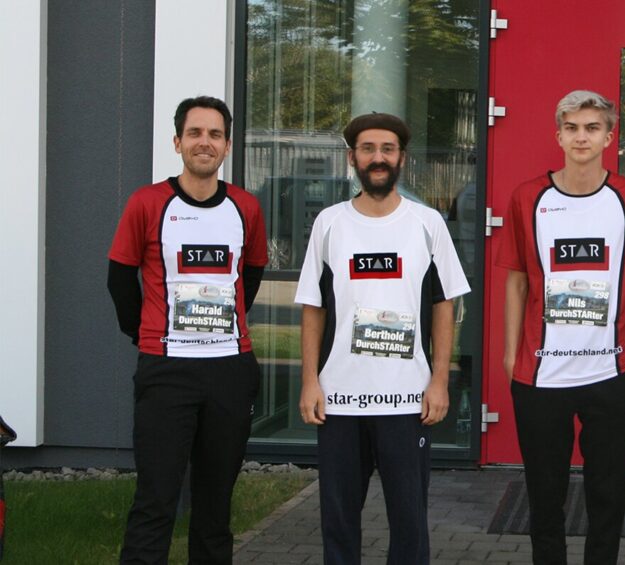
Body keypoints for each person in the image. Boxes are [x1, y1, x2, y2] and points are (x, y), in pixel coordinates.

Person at [496, 90, 625, 565]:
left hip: (613, 376)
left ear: (609, 138)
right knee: (544, 497)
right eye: (572, 127)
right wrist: (511, 355)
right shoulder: (527, 197)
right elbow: (515, 283)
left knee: (609, 499)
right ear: (558, 135)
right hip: (541, 376)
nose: (581, 136)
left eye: (592, 128)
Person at [294, 112, 471, 564]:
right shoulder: (329, 224)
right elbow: (313, 308)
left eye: (387, 149)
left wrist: (439, 381)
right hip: (340, 402)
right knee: (338, 520)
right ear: (352, 157)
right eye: (368, 149)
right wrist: (310, 382)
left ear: (402, 159)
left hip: (406, 401)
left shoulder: (428, 224)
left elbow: (443, 305)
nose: (378, 158)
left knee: (409, 522)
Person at [106, 95, 268, 564]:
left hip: (230, 372)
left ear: (227, 146)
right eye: (195, 133)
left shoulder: (246, 208)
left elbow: (250, 275)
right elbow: (119, 278)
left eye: (215, 134)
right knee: (155, 500)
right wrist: (144, 334)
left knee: (215, 508)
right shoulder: (147, 202)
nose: (205, 142)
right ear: (177, 142)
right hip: (166, 370)